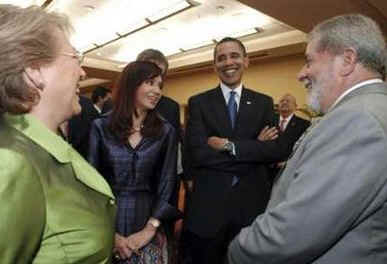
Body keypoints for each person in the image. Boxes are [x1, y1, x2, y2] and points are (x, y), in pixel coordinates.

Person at [228, 14, 387, 264]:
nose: (301, 74)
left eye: (309, 61)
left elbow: (292, 233)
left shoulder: (356, 121)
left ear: (347, 61)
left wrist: (237, 251)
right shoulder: (371, 110)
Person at [0, 4, 116, 264]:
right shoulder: (8, 162)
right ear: (34, 70)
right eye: (76, 57)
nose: (83, 72)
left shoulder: (44, 145)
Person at [183, 37, 291, 263]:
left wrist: (229, 146)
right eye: (221, 58)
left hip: (252, 206)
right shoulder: (198, 103)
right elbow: (200, 154)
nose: (228, 62)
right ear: (214, 66)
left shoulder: (263, 103)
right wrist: (255, 149)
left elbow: (276, 151)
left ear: (246, 61)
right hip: (209, 209)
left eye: (234, 56)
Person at [88, 61, 181, 263]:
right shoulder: (100, 127)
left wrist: (150, 229)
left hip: (150, 217)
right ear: (131, 85)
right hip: (107, 218)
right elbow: (91, 183)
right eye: (150, 83)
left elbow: (168, 183)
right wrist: (111, 234)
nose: (157, 91)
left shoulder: (166, 131)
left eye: (160, 85)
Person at [68, 86, 111, 158]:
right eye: (108, 99)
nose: (110, 102)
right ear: (100, 98)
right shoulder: (87, 112)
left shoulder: (97, 114)